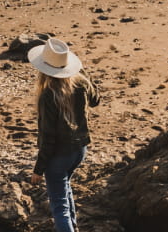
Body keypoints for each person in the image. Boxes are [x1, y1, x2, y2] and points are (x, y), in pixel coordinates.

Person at [27, 37, 100, 232]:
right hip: (79, 150)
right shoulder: (81, 85)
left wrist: (38, 169)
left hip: (58, 155)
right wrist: (83, 73)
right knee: (64, 188)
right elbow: (96, 100)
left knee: (59, 206)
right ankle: (73, 228)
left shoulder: (48, 96)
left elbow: (48, 137)